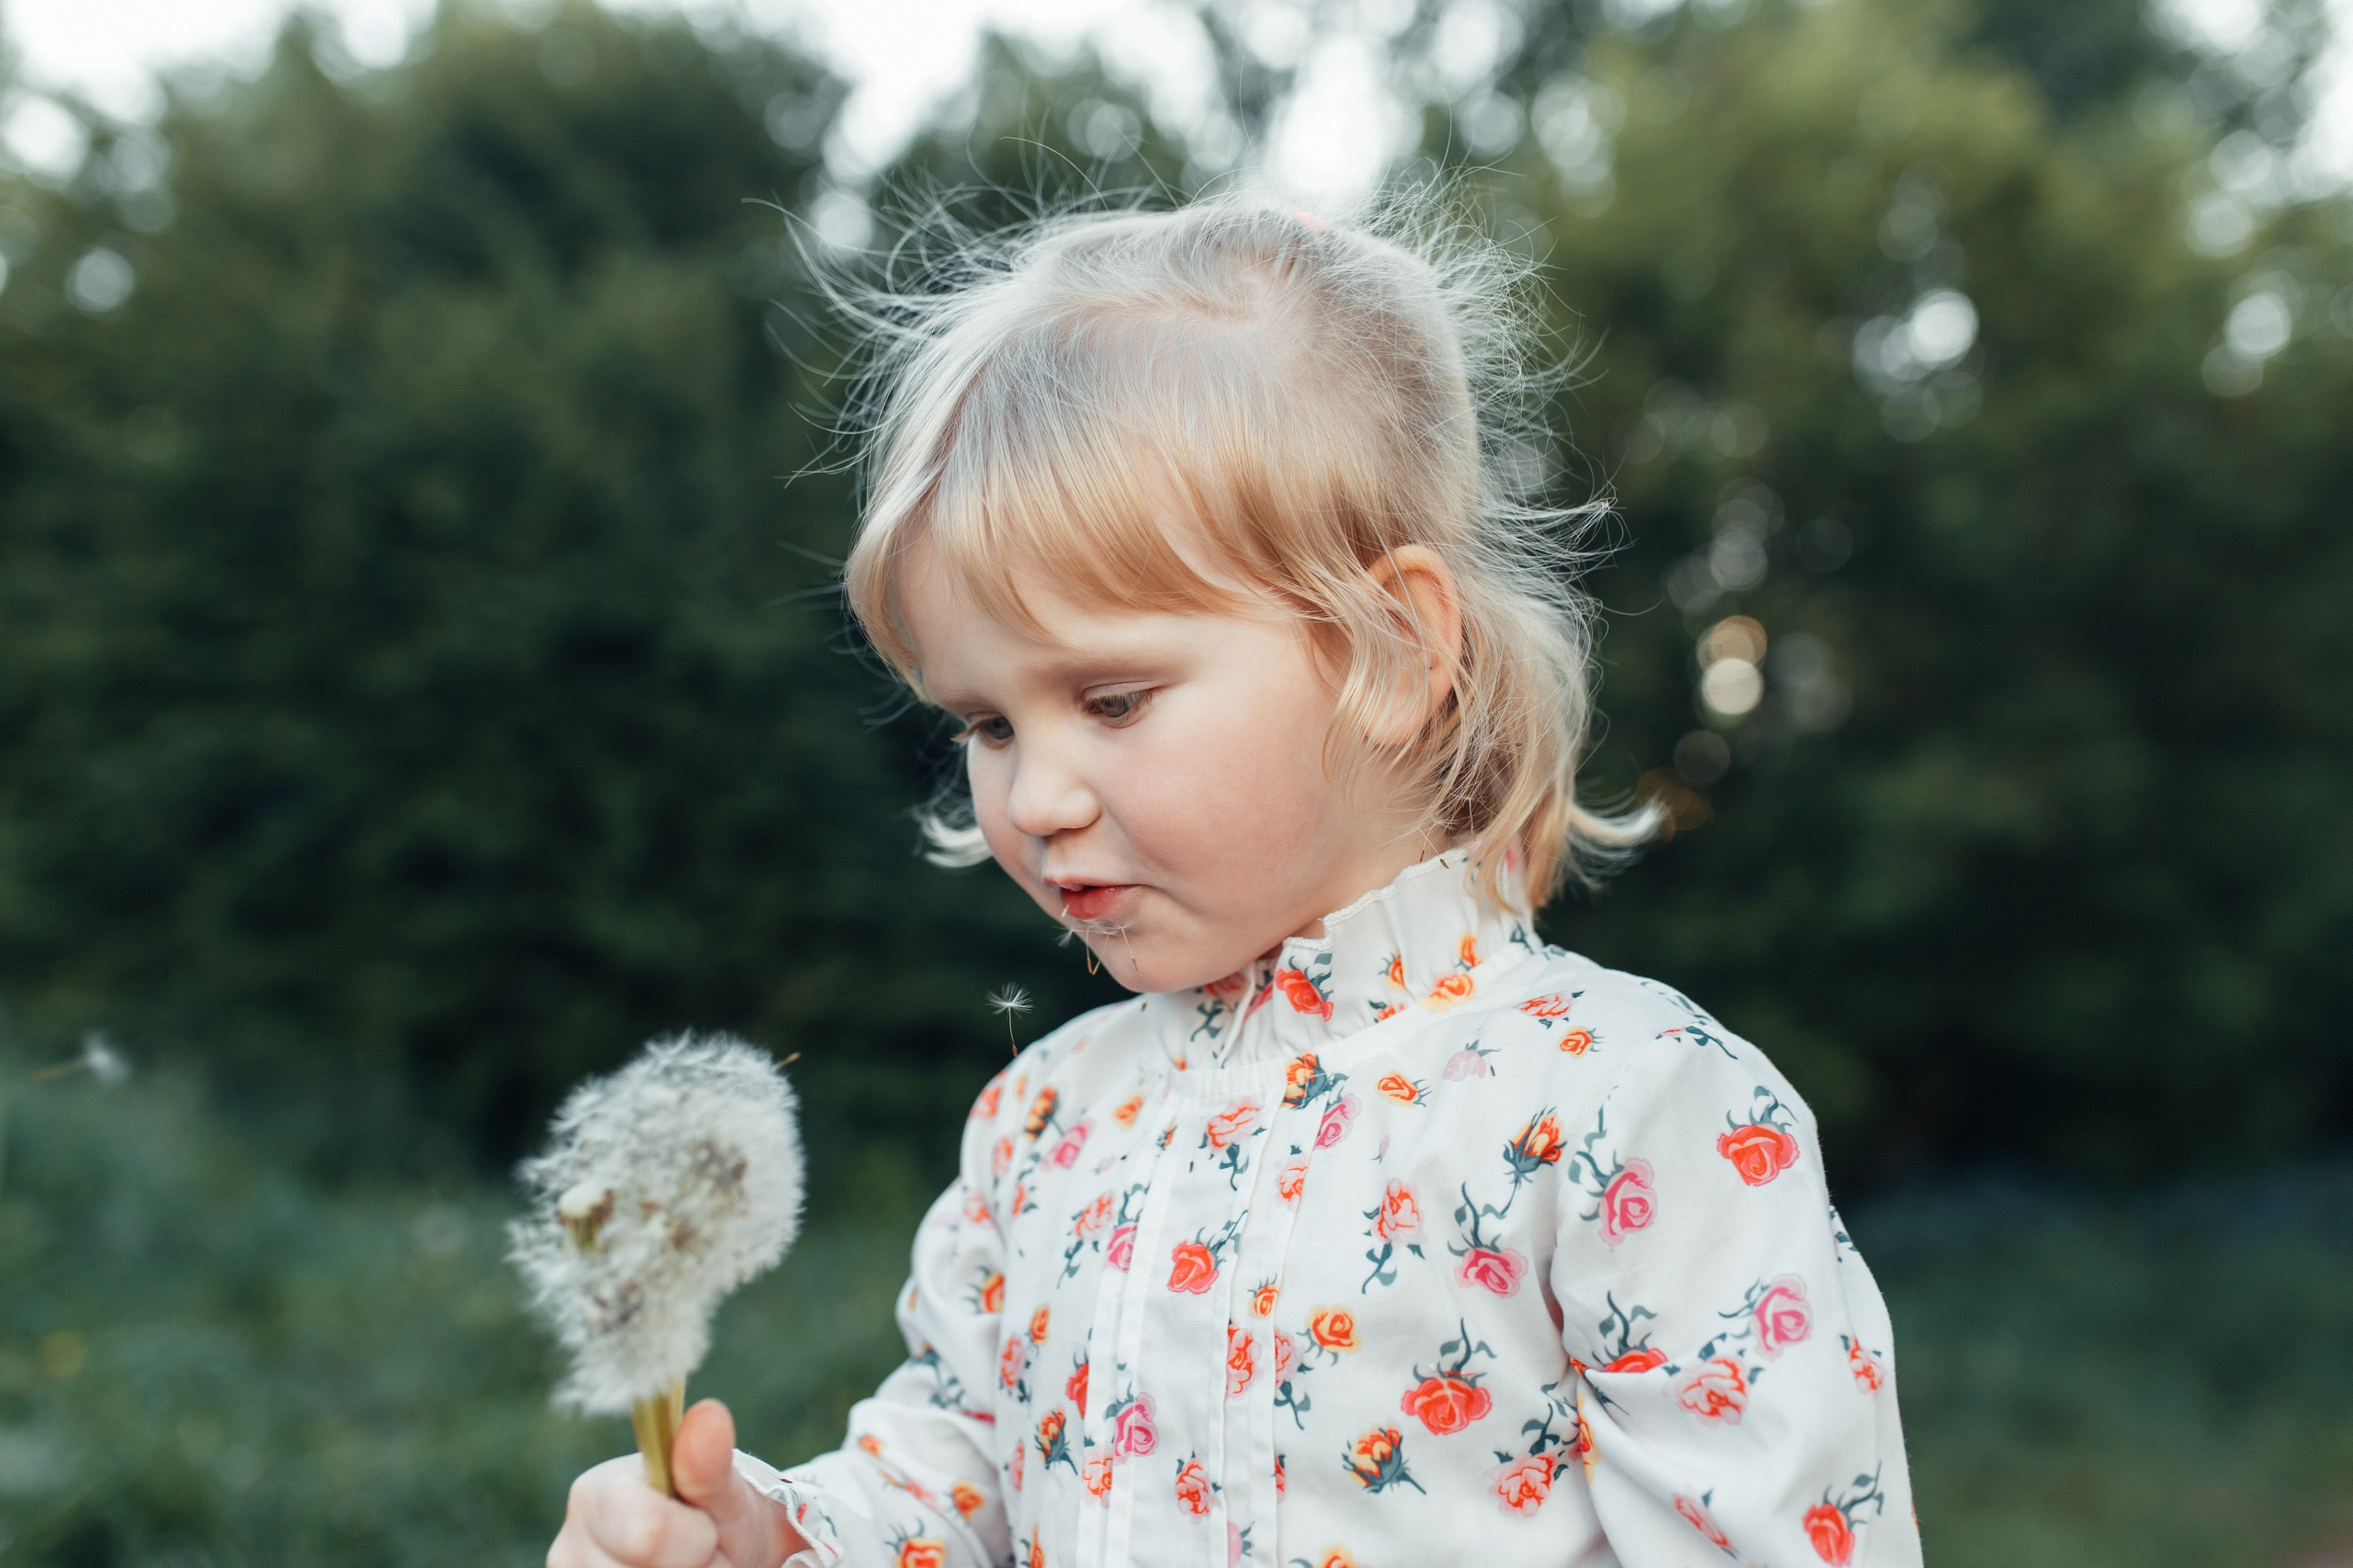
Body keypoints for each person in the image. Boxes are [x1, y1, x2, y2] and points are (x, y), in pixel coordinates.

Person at [548, 198, 1917, 1568]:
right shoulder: (1041, 1126)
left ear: (1389, 651)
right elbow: (966, 1467)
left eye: (1113, 697)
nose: (1036, 797)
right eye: (989, 724)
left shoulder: (1627, 1109)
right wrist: (775, 1540)